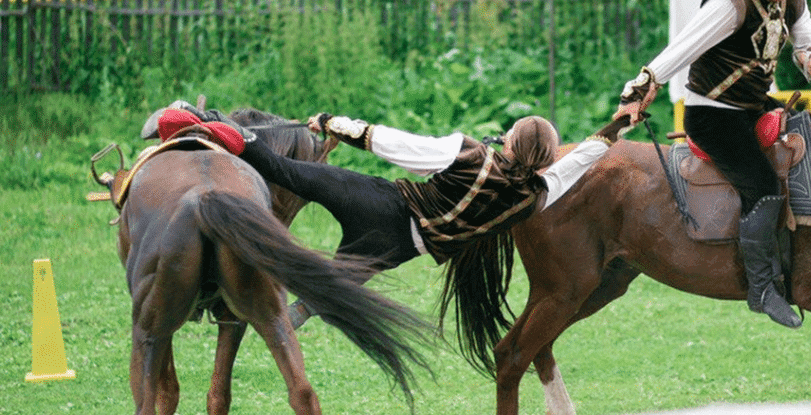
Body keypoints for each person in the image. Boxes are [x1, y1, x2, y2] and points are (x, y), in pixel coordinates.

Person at [150, 104, 631, 342]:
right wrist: (614, 130)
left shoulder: (469, 153)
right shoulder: (535, 197)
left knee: (289, 172)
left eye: (509, 134)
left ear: (510, 143)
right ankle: (299, 311)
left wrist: (334, 123)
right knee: (336, 282)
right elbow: (578, 162)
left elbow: (394, 144)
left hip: (381, 207)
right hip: (404, 250)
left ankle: (203, 122)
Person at [614, 0, 811, 329]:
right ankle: (762, 288)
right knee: (763, 186)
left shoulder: (793, 2)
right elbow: (682, 48)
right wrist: (644, 85)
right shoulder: (730, 4)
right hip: (712, 115)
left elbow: (808, 40)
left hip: (752, 106)